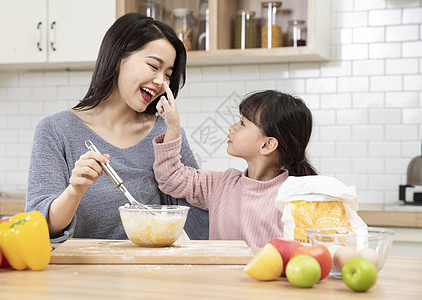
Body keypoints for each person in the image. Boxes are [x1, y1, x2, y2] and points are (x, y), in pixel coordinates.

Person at [26, 13, 209, 242]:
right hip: (75, 275)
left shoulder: (166, 137)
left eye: (168, 75)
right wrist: (74, 191)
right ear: (117, 59)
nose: (161, 82)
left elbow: (202, 223)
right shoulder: (55, 130)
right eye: (153, 66)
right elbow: (37, 226)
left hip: (146, 275)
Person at [153, 87, 318, 248]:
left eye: (242, 123)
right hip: (219, 276)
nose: (231, 127)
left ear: (267, 145)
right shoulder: (221, 184)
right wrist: (173, 127)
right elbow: (170, 177)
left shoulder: (292, 200)